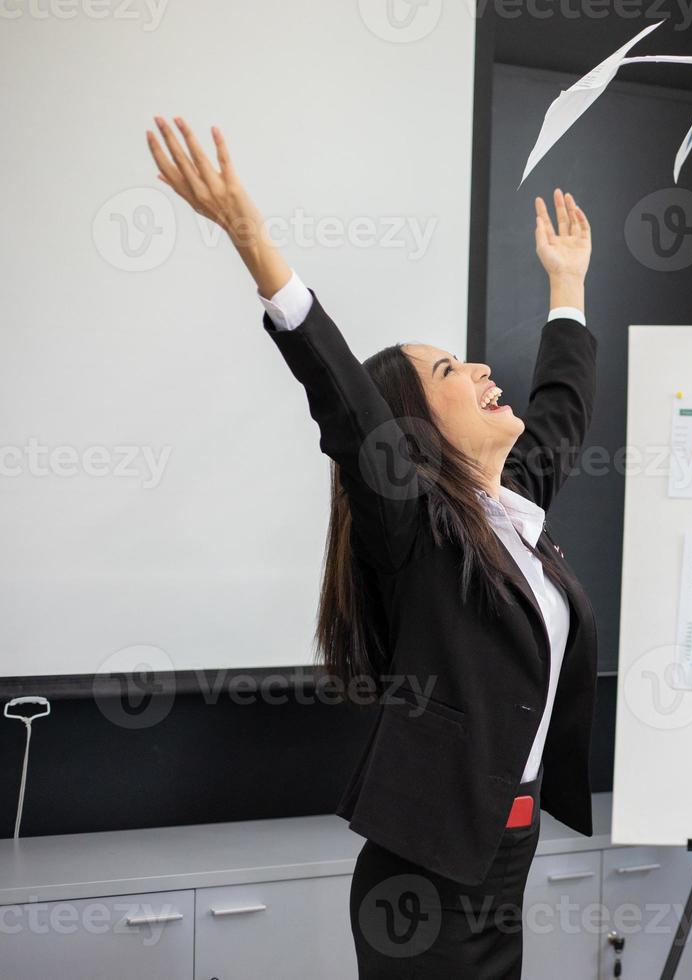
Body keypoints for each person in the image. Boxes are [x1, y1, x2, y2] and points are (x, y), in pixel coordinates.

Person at [146, 115, 600, 978]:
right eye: (449, 374)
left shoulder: (509, 511)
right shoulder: (417, 526)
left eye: (467, 361)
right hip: (426, 878)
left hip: (504, 852)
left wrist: (568, 290)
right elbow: (343, 397)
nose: (478, 374)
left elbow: (564, 413)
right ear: (415, 432)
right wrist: (251, 237)